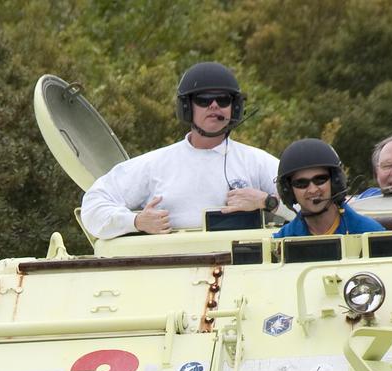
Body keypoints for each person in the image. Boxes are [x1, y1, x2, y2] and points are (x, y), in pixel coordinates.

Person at [80, 62, 280, 239]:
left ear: (234, 108)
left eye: (223, 99)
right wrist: (136, 221)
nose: (214, 106)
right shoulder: (154, 165)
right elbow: (93, 205)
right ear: (186, 107)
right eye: (203, 100)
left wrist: (266, 202)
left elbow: (307, 204)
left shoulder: (256, 162)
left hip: (245, 272)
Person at [272, 139, 383, 238]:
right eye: (301, 183)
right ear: (289, 190)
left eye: (320, 180)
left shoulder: (370, 233)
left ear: (335, 182)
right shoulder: (282, 241)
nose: (312, 190)